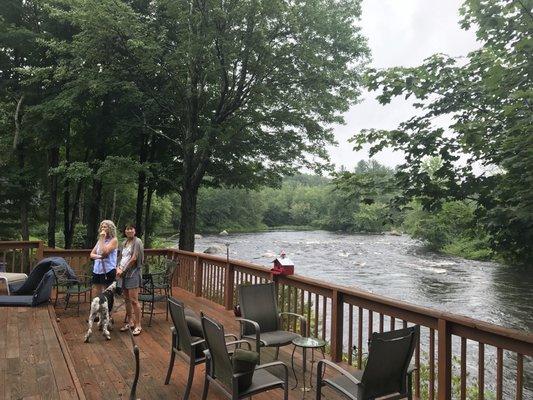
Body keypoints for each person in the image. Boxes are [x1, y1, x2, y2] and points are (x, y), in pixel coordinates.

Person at [117, 224, 144, 336]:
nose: (129, 230)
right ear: (125, 231)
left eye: (131, 229)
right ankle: (130, 322)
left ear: (135, 231)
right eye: (127, 229)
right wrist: (117, 268)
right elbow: (120, 257)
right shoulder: (123, 243)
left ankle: (138, 325)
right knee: (127, 299)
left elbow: (134, 258)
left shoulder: (137, 241)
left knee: (134, 300)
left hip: (133, 273)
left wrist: (123, 270)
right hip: (123, 274)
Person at [90, 220, 119, 294]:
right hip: (97, 269)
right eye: (102, 227)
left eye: (105, 227)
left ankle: (109, 306)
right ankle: (98, 306)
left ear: (110, 228)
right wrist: (100, 257)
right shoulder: (100, 240)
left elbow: (105, 252)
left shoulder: (114, 240)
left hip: (108, 270)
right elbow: (91, 254)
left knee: (108, 294)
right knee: (97, 292)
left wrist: (102, 237)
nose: (103, 229)